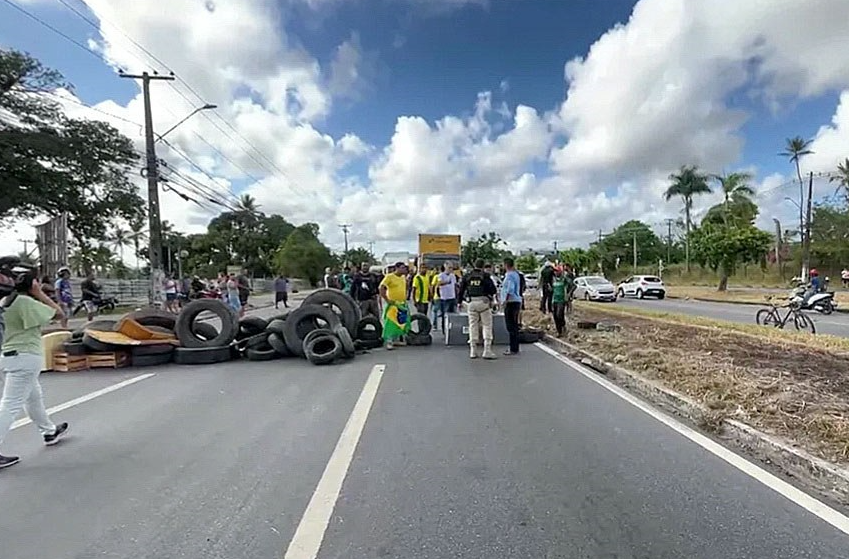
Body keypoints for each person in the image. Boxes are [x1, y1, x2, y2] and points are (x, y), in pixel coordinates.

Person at [0, 269, 69, 469]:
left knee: (33, 396)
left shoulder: (5, 303)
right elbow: (59, 313)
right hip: (25, 357)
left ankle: (48, 431)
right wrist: (38, 293)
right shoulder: (24, 302)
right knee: (11, 404)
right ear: (32, 285)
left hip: (10, 356)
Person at [458, 259, 498, 359]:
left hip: (471, 302)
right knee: (487, 326)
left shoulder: (467, 276)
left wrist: (459, 302)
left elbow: (461, 290)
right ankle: (487, 350)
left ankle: (473, 350)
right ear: (483, 266)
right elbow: (493, 290)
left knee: (472, 325)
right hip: (483, 303)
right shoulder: (485, 276)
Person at [379, 262, 411, 350]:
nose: (404, 270)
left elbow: (406, 288)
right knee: (391, 323)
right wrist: (387, 299)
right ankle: (389, 341)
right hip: (393, 304)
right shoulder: (389, 277)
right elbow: (381, 287)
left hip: (402, 304)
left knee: (402, 322)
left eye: (405, 268)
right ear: (397, 268)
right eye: (402, 268)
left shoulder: (403, 278)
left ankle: (396, 340)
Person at [501, 257, 523, 356]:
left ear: (506, 265)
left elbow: (510, 289)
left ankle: (513, 348)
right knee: (514, 325)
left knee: (510, 326)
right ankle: (515, 347)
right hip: (517, 300)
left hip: (511, 301)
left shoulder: (509, 276)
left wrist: (505, 300)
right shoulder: (516, 274)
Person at [436, 263, 458, 332]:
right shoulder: (441, 275)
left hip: (452, 297)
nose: (451, 269)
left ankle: (452, 329)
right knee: (445, 315)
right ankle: (444, 330)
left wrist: (457, 296)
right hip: (444, 298)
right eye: (449, 268)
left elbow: (455, 286)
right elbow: (439, 283)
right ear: (445, 268)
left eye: (451, 268)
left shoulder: (453, 276)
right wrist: (447, 282)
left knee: (453, 315)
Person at [551, 266, 568, 337]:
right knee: (555, 316)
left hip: (562, 300)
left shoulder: (564, 279)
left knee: (559, 314)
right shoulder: (553, 280)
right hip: (555, 300)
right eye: (555, 271)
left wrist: (568, 295)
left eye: (557, 271)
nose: (555, 272)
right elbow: (553, 291)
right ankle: (559, 331)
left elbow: (573, 285)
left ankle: (563, 325)